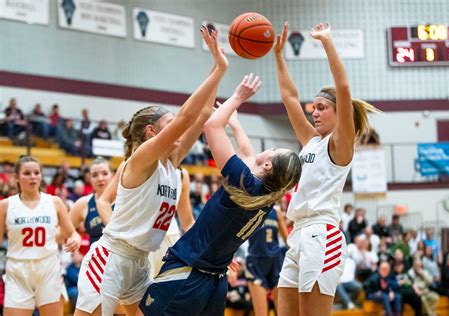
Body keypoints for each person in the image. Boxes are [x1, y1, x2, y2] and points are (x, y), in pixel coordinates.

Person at [74, 26, 227, 316]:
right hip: (112, 257)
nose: (178, 130)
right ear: (151, 132)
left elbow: (203, 114)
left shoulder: (173, 163)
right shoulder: (142, 158)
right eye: (168, 125)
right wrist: (219, 69)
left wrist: (217, 64)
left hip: (140, 260)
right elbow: (186, 117)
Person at [139, 74, 302, 316]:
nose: (268, 149)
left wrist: (238, 97)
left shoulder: (244, 182)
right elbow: (248, 154)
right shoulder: (266, 197)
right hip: (215, 281)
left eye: (275, 150)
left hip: (188, 271)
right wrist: (235, 124)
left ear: (268, 166)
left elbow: (212, 126)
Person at [273, 22, 379, 316]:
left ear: (337, 112)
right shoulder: (311, 142)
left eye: (322, 107)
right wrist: (279, 56)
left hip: (322, 234)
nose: (315, 112)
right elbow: (290, 98)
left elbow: (343, 89)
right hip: (297, 235)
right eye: (314, 108)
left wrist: (327, 42)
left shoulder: (341, 143)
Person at [0, 155, 81, 316]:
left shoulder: (55, 202)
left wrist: (75, 240)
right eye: (27, 173)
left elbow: (73, 233)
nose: (32, 177)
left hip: (48, 269)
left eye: (36, 173)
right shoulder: (6, 205)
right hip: (18, 270)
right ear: (16, 177)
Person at [245, 206, 288, 316]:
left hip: (275, 261)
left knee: (282, 312)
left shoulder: (276, 211)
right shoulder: (248, 208)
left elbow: (287, 240)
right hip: (255, 262)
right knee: (261, 313)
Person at [69, 157, 114, 247]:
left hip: (124, 258)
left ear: (112, 175)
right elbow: (62, 231)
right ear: (89, 178)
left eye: (105, 173)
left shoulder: (124, 199)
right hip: (96, 259)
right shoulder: (83, 204)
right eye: (95, 175)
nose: (100, 178)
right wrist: (75, 235)